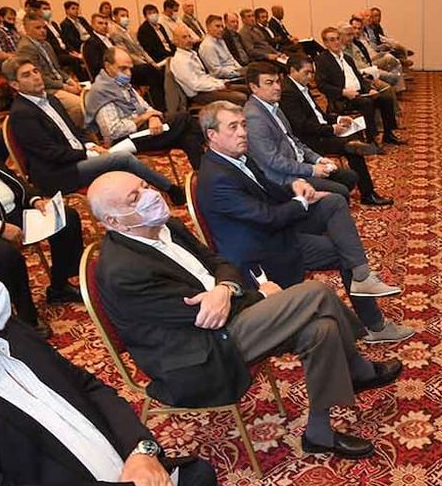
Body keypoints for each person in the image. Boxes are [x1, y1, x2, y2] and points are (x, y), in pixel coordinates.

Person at [89, 170, 403, 459]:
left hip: (225, 320)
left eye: (144, 185)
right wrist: (259, 295)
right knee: (315, 293)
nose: (150, 194)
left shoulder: (166, 226)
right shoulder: (123, 271)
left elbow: (219, 262)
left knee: (320, 329)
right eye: (135, 197)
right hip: (200, 351)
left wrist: (226, 288)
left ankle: (319, 432)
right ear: (113, 222)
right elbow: (203, 315)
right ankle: (359, 369)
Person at [0, 273, 218, 486]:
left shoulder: (6, 329)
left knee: (196, 479)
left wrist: (141, 452)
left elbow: (87, 386)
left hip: (122, 483)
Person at [196, 101, 415, 344]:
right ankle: (375, 325)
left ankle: (363, 276)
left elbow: (269, 190)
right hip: (261, 251)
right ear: (212, 135)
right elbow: (267, 218)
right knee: (343, 252)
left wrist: (294, 186)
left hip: (273, 231)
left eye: (244, 125)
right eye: (233, 127)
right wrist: (300, 202)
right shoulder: (217, 178)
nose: (243, 132)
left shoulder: (236, 157)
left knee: (332, 202)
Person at [4, 58, 186, 204]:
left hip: (76, 157)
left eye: (36, 71)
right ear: (15, 85)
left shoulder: (51, 99)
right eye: (26, 75)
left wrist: (90, 144)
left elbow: (75, 131)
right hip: (59, 172)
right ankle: (170, 190)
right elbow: (51, 153)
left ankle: (137, 203)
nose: (36, 77)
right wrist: (88, 154)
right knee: (121, 159)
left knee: (119, 160)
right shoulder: (21, 114)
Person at [0, 154, 82, 337]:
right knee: (5, 254)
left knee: (67, 218)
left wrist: (35, 200)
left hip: (14, 212)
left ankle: (59, 286)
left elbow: (16, 181)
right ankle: (26, 315)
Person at [279, 54, 392, 206]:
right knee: (353, 148)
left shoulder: (300, 87)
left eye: (312, 72)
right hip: (311, 140)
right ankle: (368, 194)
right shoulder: (288, 92)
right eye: (307, 72)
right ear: (293, 70)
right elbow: (302, 126)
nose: (310, 76)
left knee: (353, 133)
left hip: (320, 130)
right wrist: (331, 129)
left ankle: (362, 155)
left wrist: (338, 119)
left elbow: (318, 115)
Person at [243, 61, 359, 200]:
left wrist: (317, 159)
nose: (277, 87)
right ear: (254, 87)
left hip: (297, 163)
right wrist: (311, 170)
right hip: (283, 177)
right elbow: (273, 161)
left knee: (350, 177)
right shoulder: (254, 117)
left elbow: (294, 140)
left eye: (277, 82)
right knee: (340, 192)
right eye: (269, 83)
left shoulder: (273, 106)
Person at [86, 47, 206, 170]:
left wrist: (153, 117)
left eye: (130, 68)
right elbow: (113, 132)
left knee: (188, 137)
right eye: (123, 69)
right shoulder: (101, 92)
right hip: (124, 141)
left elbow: (146, 107)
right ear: (107, 66)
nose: (128, 73)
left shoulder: (121, 83)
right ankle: (213, 151)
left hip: (144, 130)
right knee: (183, 118)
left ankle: (204, 177)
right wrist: (144, 118)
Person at [315, 26, 405, 146]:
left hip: (360, 93)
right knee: (367, 103)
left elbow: (359, 78)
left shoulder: (347, 58)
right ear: (325, 43)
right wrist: (343, 92)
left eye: (337, 39)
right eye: (331, 40)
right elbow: (321, 85)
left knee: (386, 98)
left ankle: (388, 134)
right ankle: (371, 138)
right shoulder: (322, 60)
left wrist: (370, 89)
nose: (336, 42)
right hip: (342, 98)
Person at [16, 12, 85, 127]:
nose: (43, 31)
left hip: (58, 83)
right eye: (38, 28)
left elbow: (57, 69)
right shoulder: (26, 48)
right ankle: (73, 134)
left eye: (44, 27)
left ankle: (88, 133)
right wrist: (65, 87)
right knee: (78, 105)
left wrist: (70, 81)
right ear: (27, 29)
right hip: (46, 88)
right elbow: (39, 77)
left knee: (88, 96)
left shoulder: (47, 44)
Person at [168, 28, 247, 106]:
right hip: (200, 94)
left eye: (189, 36)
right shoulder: (179, 61)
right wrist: (218, 86)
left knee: (246, 88)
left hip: (209, 87)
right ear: (176, 41)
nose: (189, 40)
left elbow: (204, 77)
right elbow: (195, 85)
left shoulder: (192, 54)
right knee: (241, 97)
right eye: (184, 37)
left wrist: (220, 83)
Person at [108, 7, 167, 110]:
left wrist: (151, 61)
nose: (125, 18)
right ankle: (159, 107)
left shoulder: (129, 31)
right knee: (152, 72)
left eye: (126, 16)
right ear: (115, 17)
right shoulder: (115, 33)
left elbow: (141, 49)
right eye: (122, 16)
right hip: (130, 66)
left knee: (158, 71)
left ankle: (162, 104)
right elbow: (127, 54)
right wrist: (145, 63)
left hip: (142, 62)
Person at [37, 0, 87, 81]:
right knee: (75, 60)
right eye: (45, 9)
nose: (48, 11)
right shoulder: (42, 27)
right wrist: (69, 53)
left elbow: (64, 40)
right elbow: (52, 45)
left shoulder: (53, 24)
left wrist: (72, 51)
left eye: (49, 9)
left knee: (82, 56)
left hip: (65, 50)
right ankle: (83, 81)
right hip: (57, 53)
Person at [199, 14, 246, 79]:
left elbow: (231, 59)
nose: (221, 29)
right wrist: (238, 73)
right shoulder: (207, 46)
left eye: (222, 26)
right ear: (208, 27)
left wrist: (241, 69)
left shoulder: (221, 40)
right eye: (217, 26)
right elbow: (217, 72)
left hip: (236, 74)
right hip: (226, 80)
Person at [82, 13, 116, 79]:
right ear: (92, 25)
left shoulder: (110, 39)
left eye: (106, 24)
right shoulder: (90, 43)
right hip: (106, 76)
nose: (104, 26)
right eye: (100, 23)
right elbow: (96, 67)